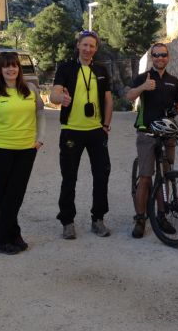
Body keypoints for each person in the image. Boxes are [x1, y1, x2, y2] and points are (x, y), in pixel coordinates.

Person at [0, 51, 45, 255]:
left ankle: (12, 234)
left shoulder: (30, 90)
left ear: (19, 68)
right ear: (1, 69)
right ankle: (2, 240)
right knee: (6, 195)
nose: (11, 69)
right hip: (0, 150)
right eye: (7, 66)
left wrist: (39, 138)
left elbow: (40, 114)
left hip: (26, 149)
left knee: (14, 194)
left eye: (14, 65)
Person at [50, 30, 113, 239]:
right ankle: (67, 221)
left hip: (96, 131)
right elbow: (54, 94)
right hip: (71, 131)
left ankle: (98, 219)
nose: (88, 49)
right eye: (85, 45)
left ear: (96, 49)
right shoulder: (66, 67)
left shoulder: (101, 69)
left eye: (92, 46)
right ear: (78, 45)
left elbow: (108, 100)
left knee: (101, 175)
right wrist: (61, 99)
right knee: (69, 177)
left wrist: (106, 125)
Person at [126, 43, 178, 238]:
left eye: (163, 55)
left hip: (167, 133)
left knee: (165, 175)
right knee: (145, 177)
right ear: (152, 57)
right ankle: (140, 218)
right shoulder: (143, 77)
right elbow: (129, 96)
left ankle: (161, 215)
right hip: (147, 132)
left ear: (168, 57)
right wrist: (143, 87)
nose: (160, 58)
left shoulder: (173, 81)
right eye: (156, 55)